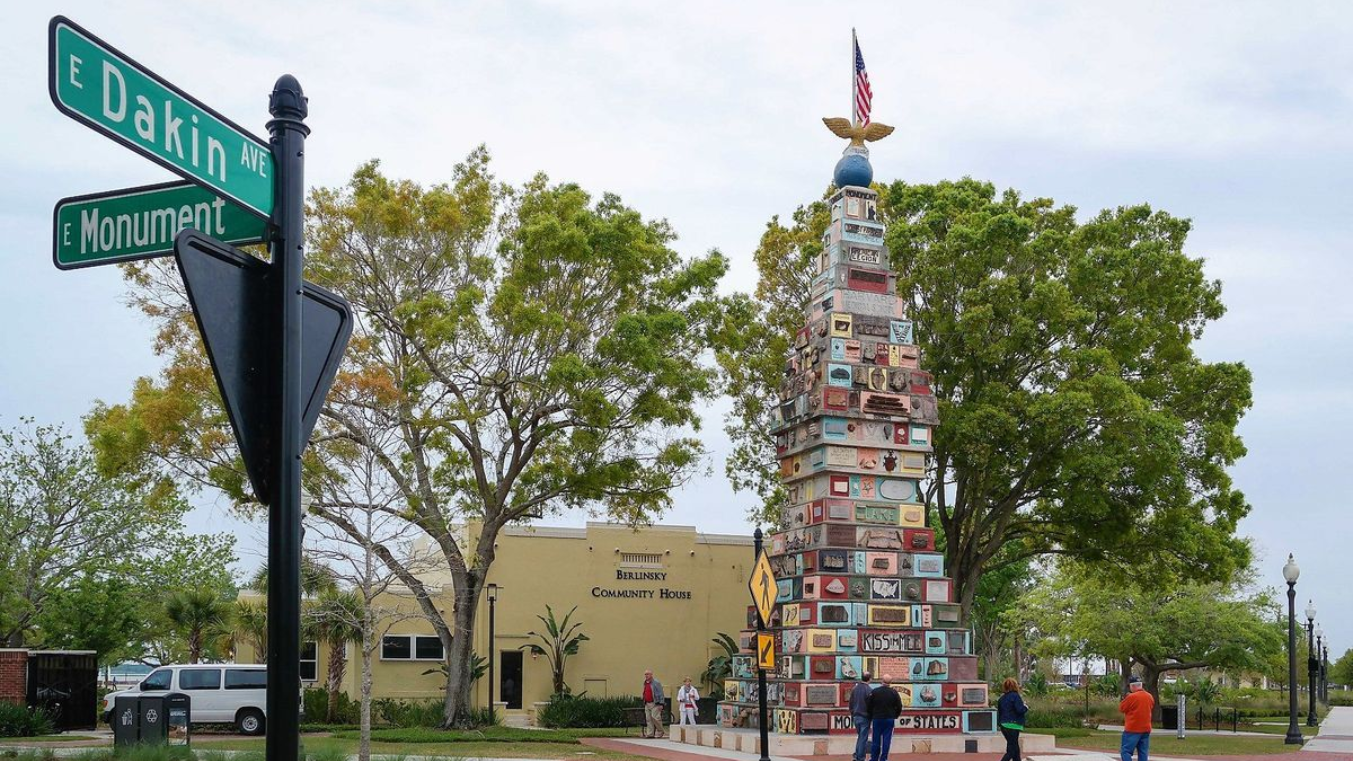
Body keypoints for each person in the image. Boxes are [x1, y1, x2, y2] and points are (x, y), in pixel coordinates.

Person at [866, 674, 903, 761]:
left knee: (876, 739)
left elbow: (869, 705)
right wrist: (895, 715)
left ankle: (874, 758)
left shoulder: (875, 692)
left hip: (877, 718)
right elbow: (899, 706)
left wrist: (871, 715)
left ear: (881, 681)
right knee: (887, 739)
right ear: (890, 682)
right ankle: (884, 758)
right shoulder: (894, 693)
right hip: (889, 718)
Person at [1119, 676, 1154, 761]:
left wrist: (1125, 698)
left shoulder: (1131, 697)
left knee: (1125, 751)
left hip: (1133, 729)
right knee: (1143, 752)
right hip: (1146, 729)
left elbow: (1122, 708)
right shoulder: (1149, 696)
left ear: (1132, 686)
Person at [997, 678, 1029, 761]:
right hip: (1013, 725)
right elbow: (1020, 710)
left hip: (1004, 725)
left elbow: (1000, 712)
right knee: (1011, 751)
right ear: (1015, 686)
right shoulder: (1015, 696)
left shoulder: (1002, 698)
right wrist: (1025, 707)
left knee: (1015, 749)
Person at [849, 671, 874, 761]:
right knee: (863, 738)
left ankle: (856, 755)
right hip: (865, 716)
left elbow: (851, 703)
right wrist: (871, 716)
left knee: (860, 737)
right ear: (870, 679)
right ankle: (860, 758)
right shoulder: (869, 690)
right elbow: (871, 705)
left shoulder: (854, 689)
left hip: (856, 716)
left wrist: (852, 713)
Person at [641, 669, 666, 739]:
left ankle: (660, 731)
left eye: (648, 674)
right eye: (645, 674)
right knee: (648, 719)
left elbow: (661, 693)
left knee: (655, 718)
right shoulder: (645, 683)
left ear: (651, 675)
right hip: (647, 703)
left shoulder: (656, 683)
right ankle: (650, 734)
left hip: (655, 703)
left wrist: (661, 703)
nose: (646, 675)